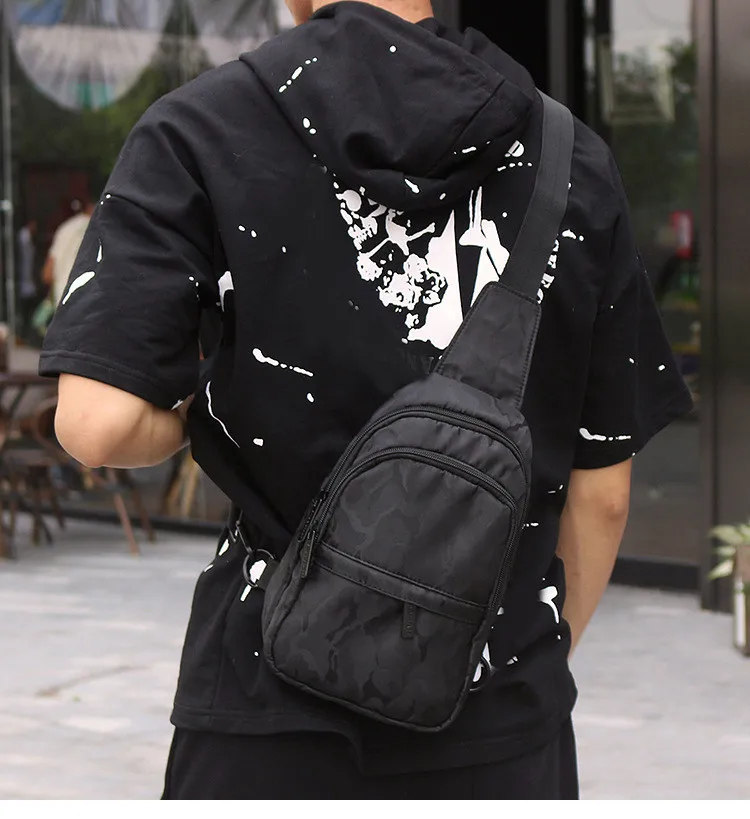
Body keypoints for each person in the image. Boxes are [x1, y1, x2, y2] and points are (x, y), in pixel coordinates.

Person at [39, 0, 693, 800]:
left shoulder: (199, 128)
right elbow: (605, 496)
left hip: (264, 712)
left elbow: (95, 424)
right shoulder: (571, 157)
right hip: (499, 725)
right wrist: (517, 658)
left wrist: (194, 416)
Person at [42, 196, 95, 307]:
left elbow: (47, 274)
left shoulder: (64, 229)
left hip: (63, 301)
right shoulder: (98, 229)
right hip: (89, 301)